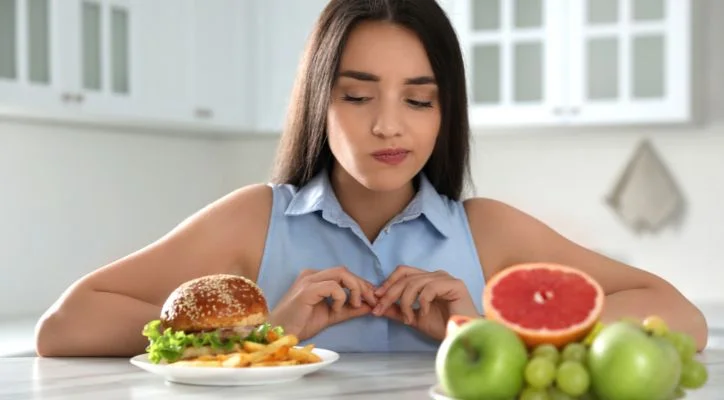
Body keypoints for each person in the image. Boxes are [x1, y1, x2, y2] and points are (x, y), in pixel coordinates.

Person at [35, 0, 708, 356]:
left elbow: (681, 316)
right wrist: (263, 332)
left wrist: (486, 333)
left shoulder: (490, 231)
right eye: (359, 97)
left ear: (447, 111)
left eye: (419, 99)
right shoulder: (255, 220)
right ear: (318, 103)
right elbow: (64, 327)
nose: (390, 126)